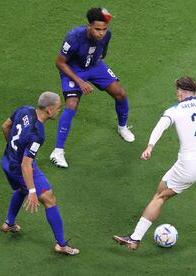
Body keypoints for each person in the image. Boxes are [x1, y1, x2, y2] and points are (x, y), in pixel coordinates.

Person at [113, 65, 196, 263]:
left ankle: (135, 238)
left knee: (160, 196)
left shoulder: (175, 110)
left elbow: (160, 127)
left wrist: (150, 147)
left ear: (180, 93)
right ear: (195, 92)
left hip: (187, 165)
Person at [50, 7, 135, 168]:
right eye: (97, 29)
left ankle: (122, 127)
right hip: (73, 70)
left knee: (120, 93)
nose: (101, 33)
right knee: (72, 104)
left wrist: (94, 64)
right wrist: (80, 82)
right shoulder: (73, 37)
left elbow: (103, 53)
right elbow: (59, 62)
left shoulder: (106, 35)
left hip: (94, 66)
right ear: (89, 26)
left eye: (104, 29)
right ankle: (58, 152)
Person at [1, 92, 80, 255]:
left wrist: (13, 151)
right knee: (49, 199)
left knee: (19, 189)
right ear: (49, 110)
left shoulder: (25, 109)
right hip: (20, 168)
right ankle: (61, 244)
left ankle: (9, 222)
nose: (59, 111)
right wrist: (32, 191)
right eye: (58, 108)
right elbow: (26, 165)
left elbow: (5, 126)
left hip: (6, 162)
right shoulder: (37, 133)